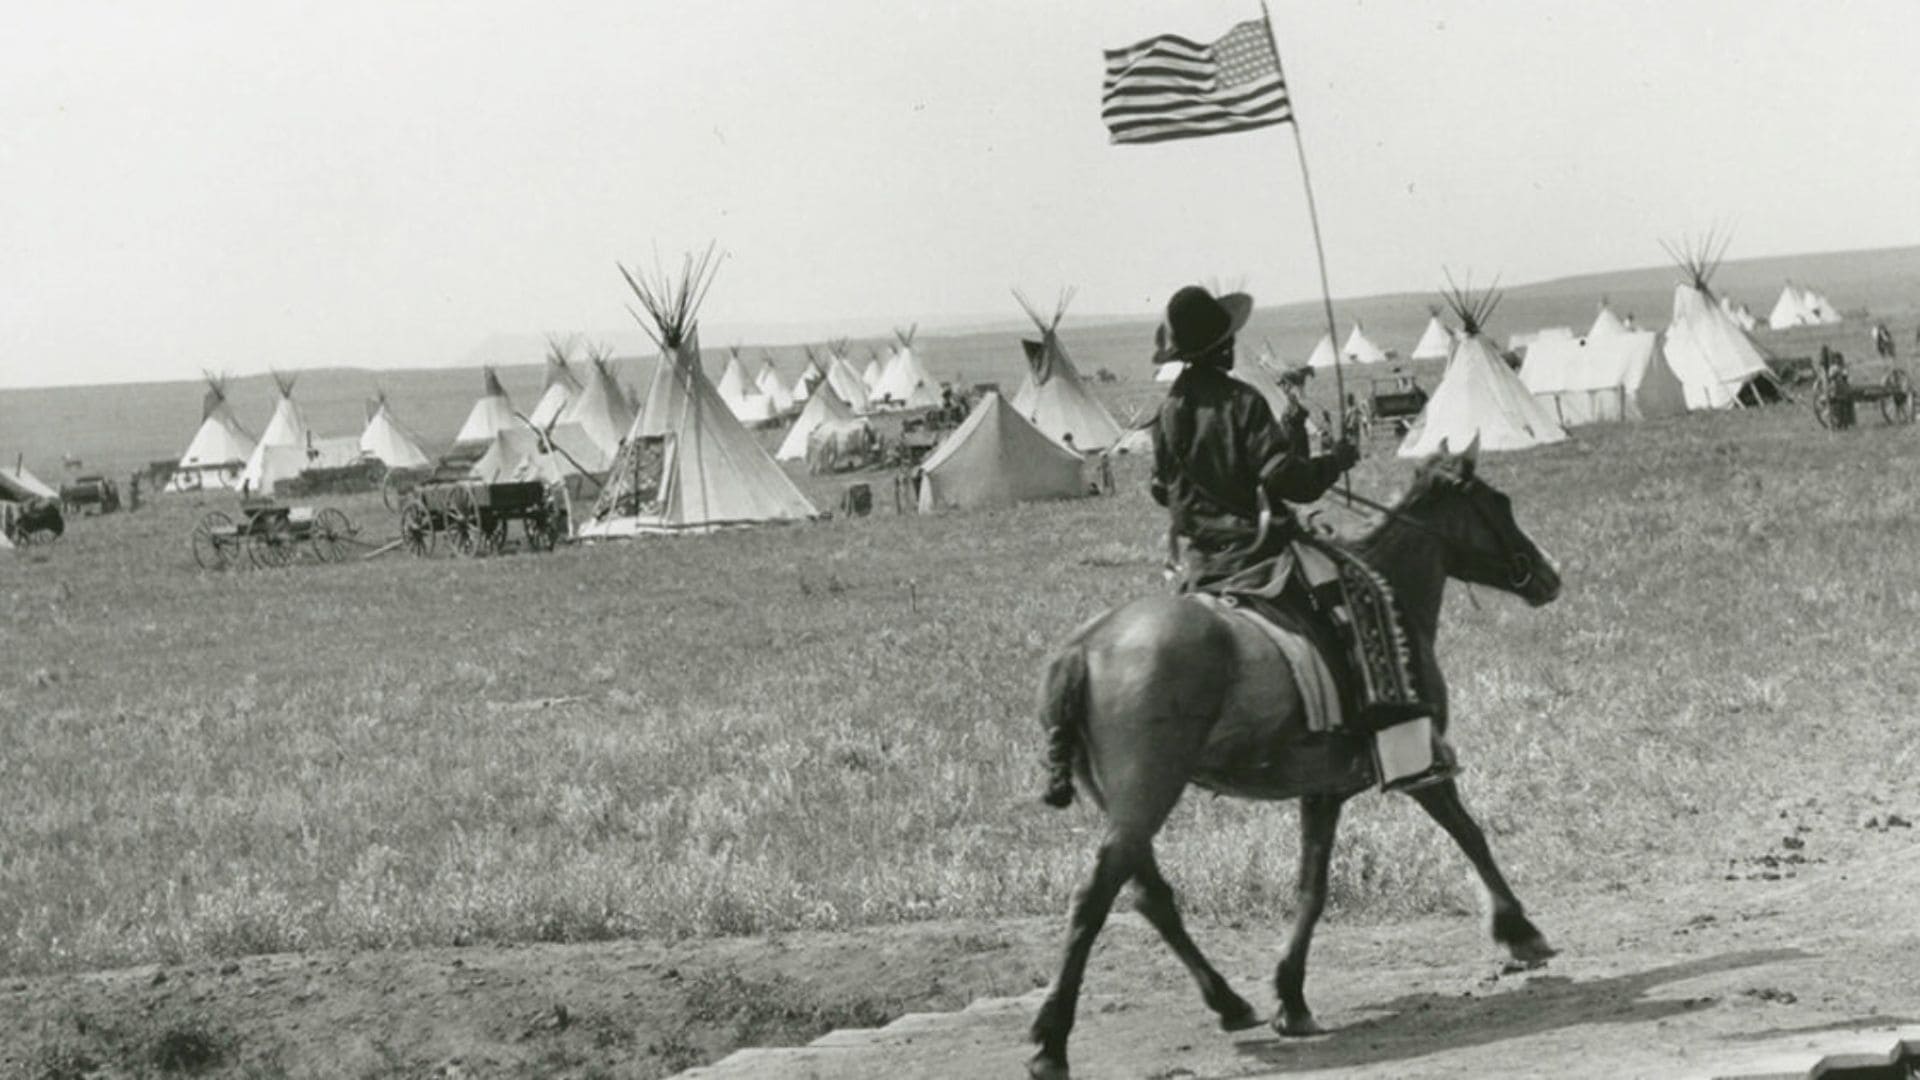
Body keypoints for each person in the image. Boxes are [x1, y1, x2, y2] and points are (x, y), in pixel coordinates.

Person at [1148, 285, 1446, 791]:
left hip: (1198, 563)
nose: (1232, 346)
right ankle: (1386, 738)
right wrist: (1337, 461)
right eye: (1228, 339)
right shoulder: (1242, 403)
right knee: (1365, 593)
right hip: (1256, 553)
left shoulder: (1167, 414)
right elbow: (1291, 480)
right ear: (1219, 347)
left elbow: (1160, 489)